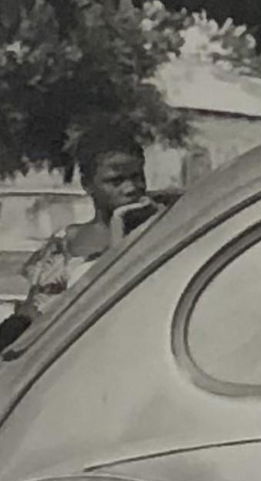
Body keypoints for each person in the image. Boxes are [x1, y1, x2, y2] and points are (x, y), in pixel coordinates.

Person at [6, 130, 158, 337]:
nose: (131, 188)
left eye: (137, 177)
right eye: (115, 181)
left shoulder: (159, 229)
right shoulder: (67, 242)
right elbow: (34, 310)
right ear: (88, 185)